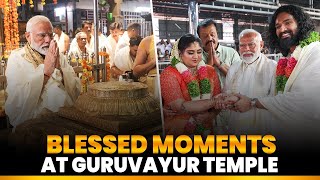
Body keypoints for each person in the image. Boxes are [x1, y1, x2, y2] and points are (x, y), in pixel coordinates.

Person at [229, 5, 320, 147]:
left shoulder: (315, 52)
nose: (282, 29)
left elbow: (305, 101)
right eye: (278, 26)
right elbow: (277, 95)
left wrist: (252, 102)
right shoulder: (287, 59)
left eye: (288, 22)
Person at [5, 15, 81, 128]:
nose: (48, 40)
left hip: (64, 121)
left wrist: (59, 69)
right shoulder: (17, 58)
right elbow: (17, 99)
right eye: (42, 35)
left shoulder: (58, 55)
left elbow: (75, 88)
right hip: (33, 125)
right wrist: (45, 73)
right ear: (28, 36)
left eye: (50, 35)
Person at [160, 34, 221, 136]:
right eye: (190, 53)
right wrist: (214, 102)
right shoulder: (169, 73)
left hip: (206, 130)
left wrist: (210, 115)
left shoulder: (210, 71)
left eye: (199, 52)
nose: (196, 57)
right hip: (179, 131)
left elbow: (218, 103)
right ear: (180, 53)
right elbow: (180, 107)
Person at [223, 29, 276, 135]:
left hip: (262, 130)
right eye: (242, 45)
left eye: (251, 44)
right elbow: (227, 93)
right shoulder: (234, 67)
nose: (246, 49)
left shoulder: (273, 67)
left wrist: (251, 103)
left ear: (261, 45)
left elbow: (277, 100)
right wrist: (227, 99)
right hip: (236, 128)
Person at [197, 19, 241, 88]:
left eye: (212, 34)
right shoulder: (196, 57)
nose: (210, 38)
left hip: (230, 97)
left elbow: (240, 78)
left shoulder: (231, 53)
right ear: (199, 38)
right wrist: (208, 65)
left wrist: (220, 64)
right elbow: (195, 84)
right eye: (205, 36)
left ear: (217, 34)